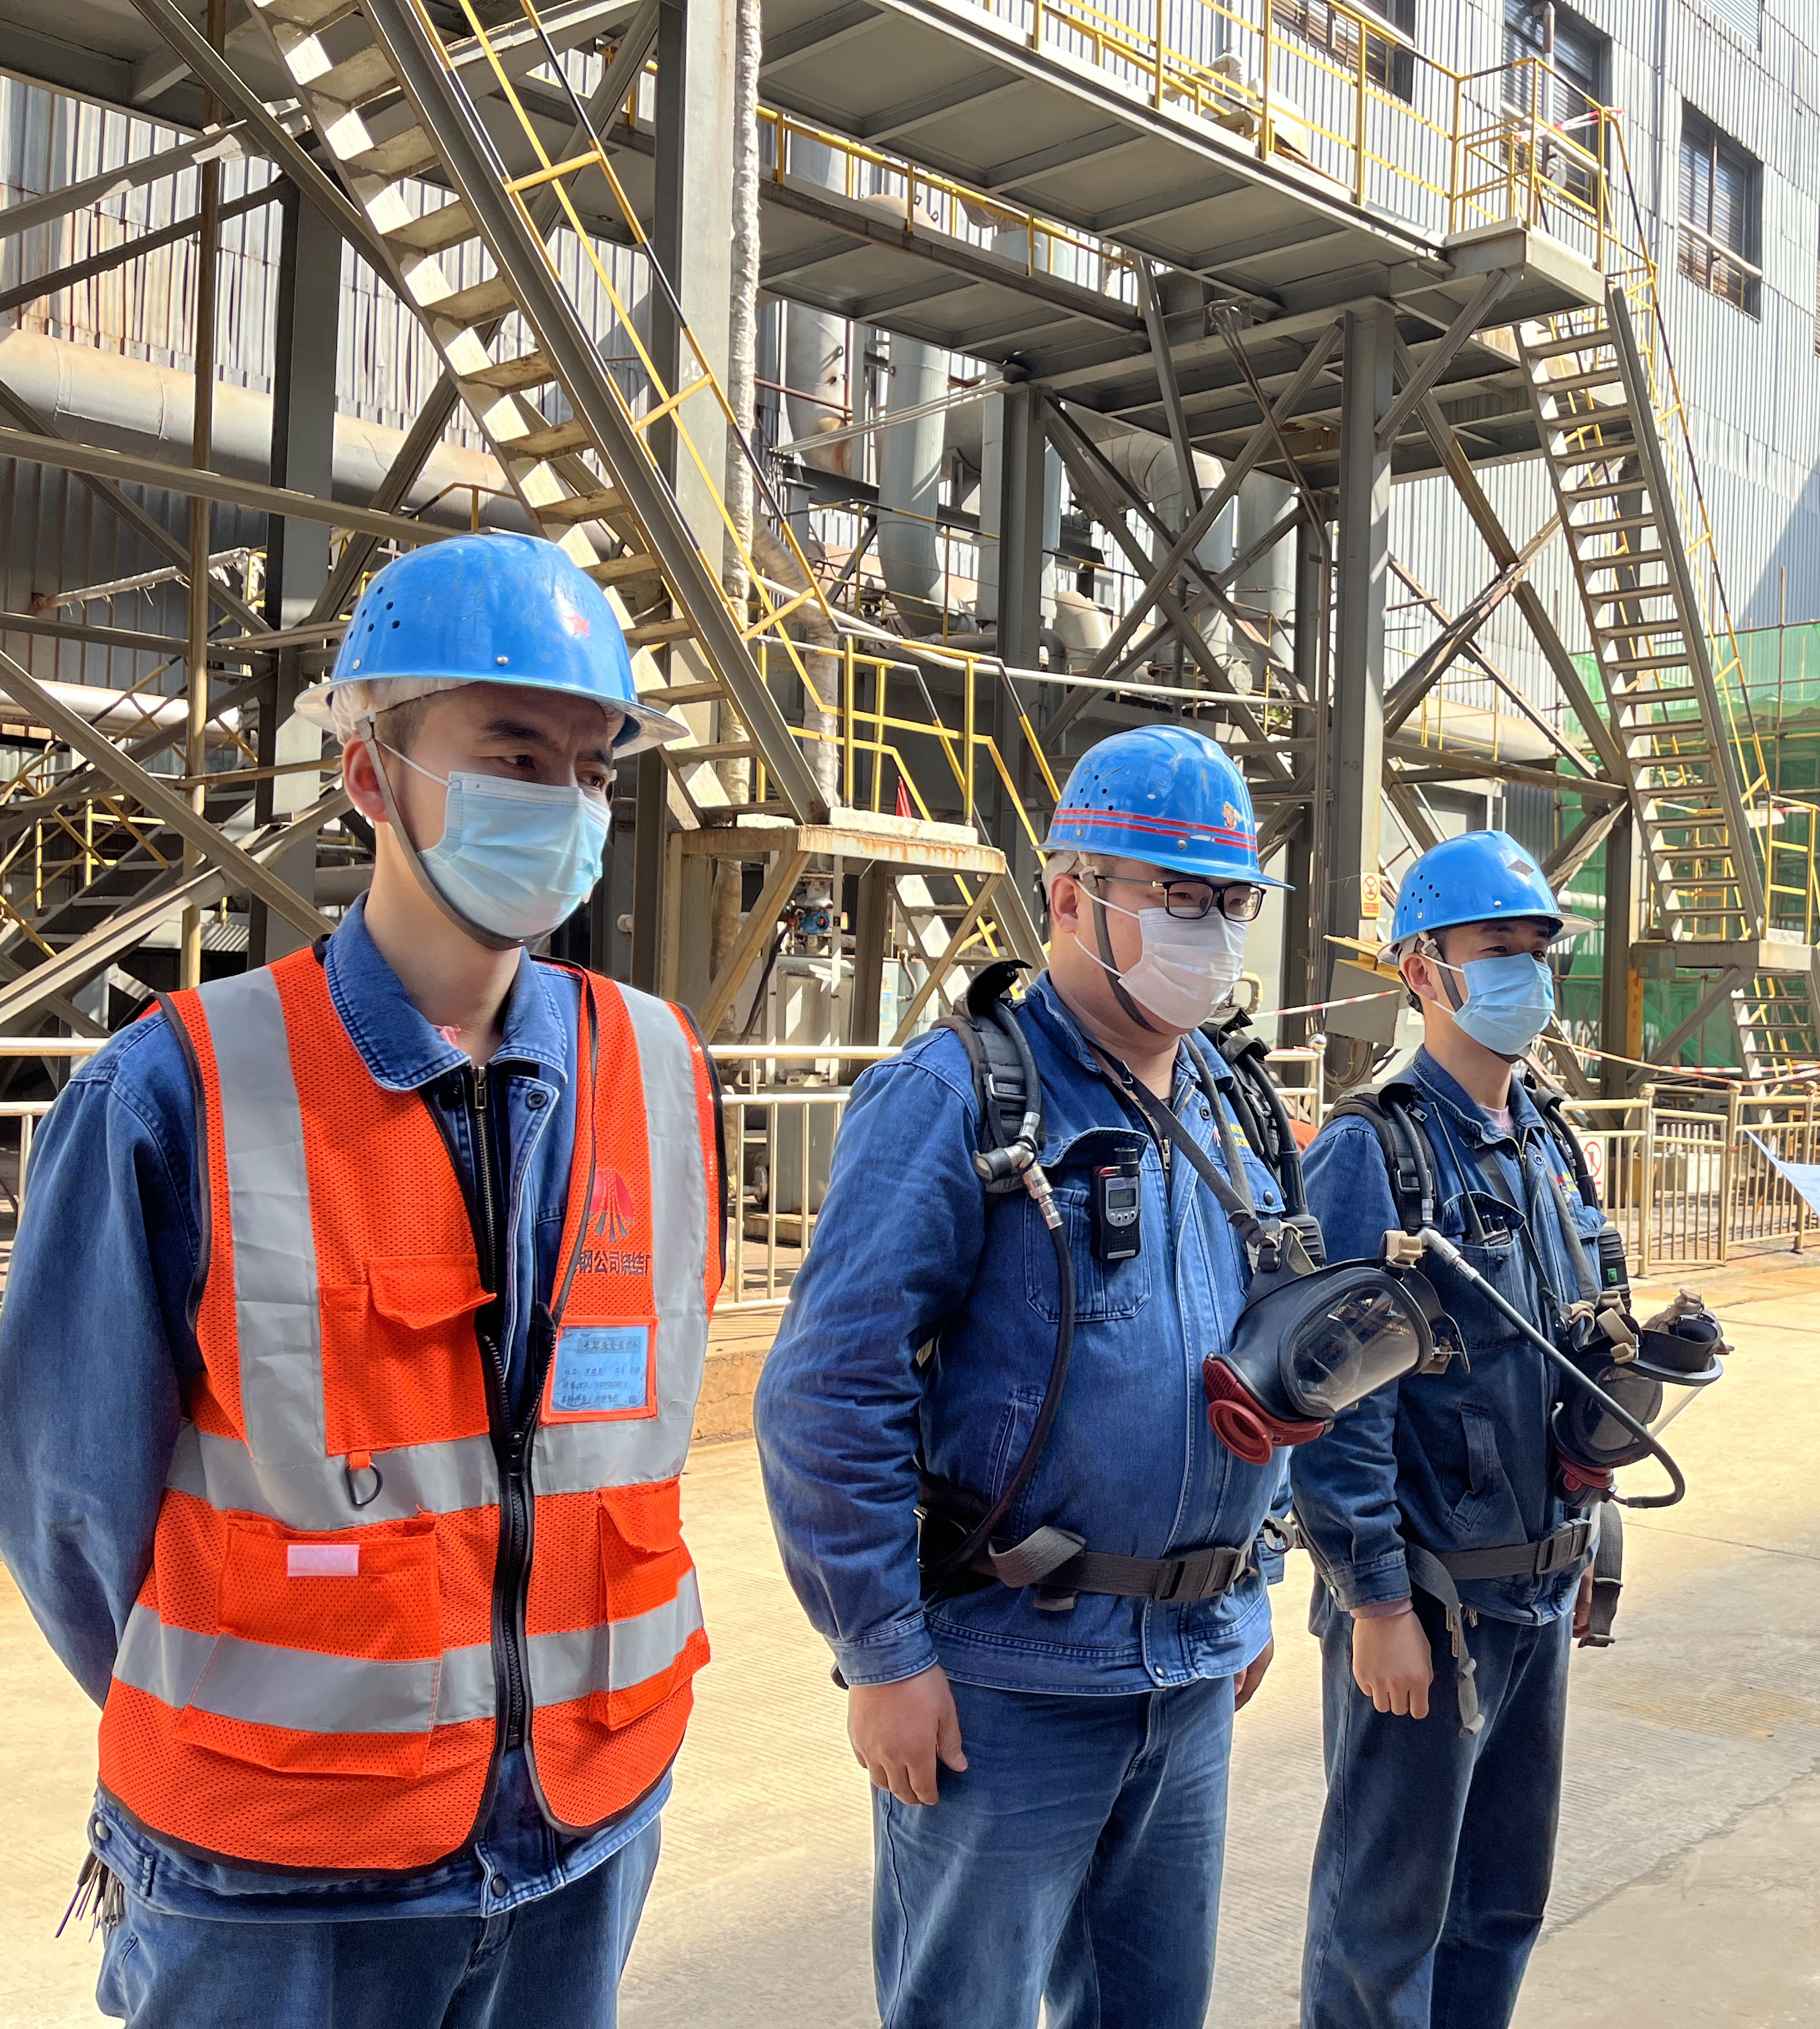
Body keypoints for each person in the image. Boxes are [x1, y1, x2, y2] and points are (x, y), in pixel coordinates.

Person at [0, 530, 721, 2026]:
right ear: (372, 772)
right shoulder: (179, 1093)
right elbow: (70, 1515)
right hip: (276, 1881)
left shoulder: (655, 1071)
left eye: (593, 768)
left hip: (585, 1834)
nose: (567, 803)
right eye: (515, 749)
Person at [756, 723, 1295, 2029]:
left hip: (1192, 1676)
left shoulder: (1233, 1105)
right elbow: (831, 1392)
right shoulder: (959, 1098)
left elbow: (1262, 1354)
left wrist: (1257, 1569)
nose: (1209, 930)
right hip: (1008, 1683)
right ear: (1070, 896)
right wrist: (884, 1656)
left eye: (1228, 903)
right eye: (1176, 896)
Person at [1291, 830, 1613, 2029]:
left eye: (1540, 949)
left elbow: (1586, 1358)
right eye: (1499, 949)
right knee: (1386, 1922)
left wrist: (1594, 1535)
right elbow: (1336, 1407)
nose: (1529, 973)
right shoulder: (1371, 1153)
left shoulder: (1553, 1144)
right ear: (1424, 970)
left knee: (1501, 1905)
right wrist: (1377, 1606)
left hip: (1538, 1589)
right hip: (1428, 1611)